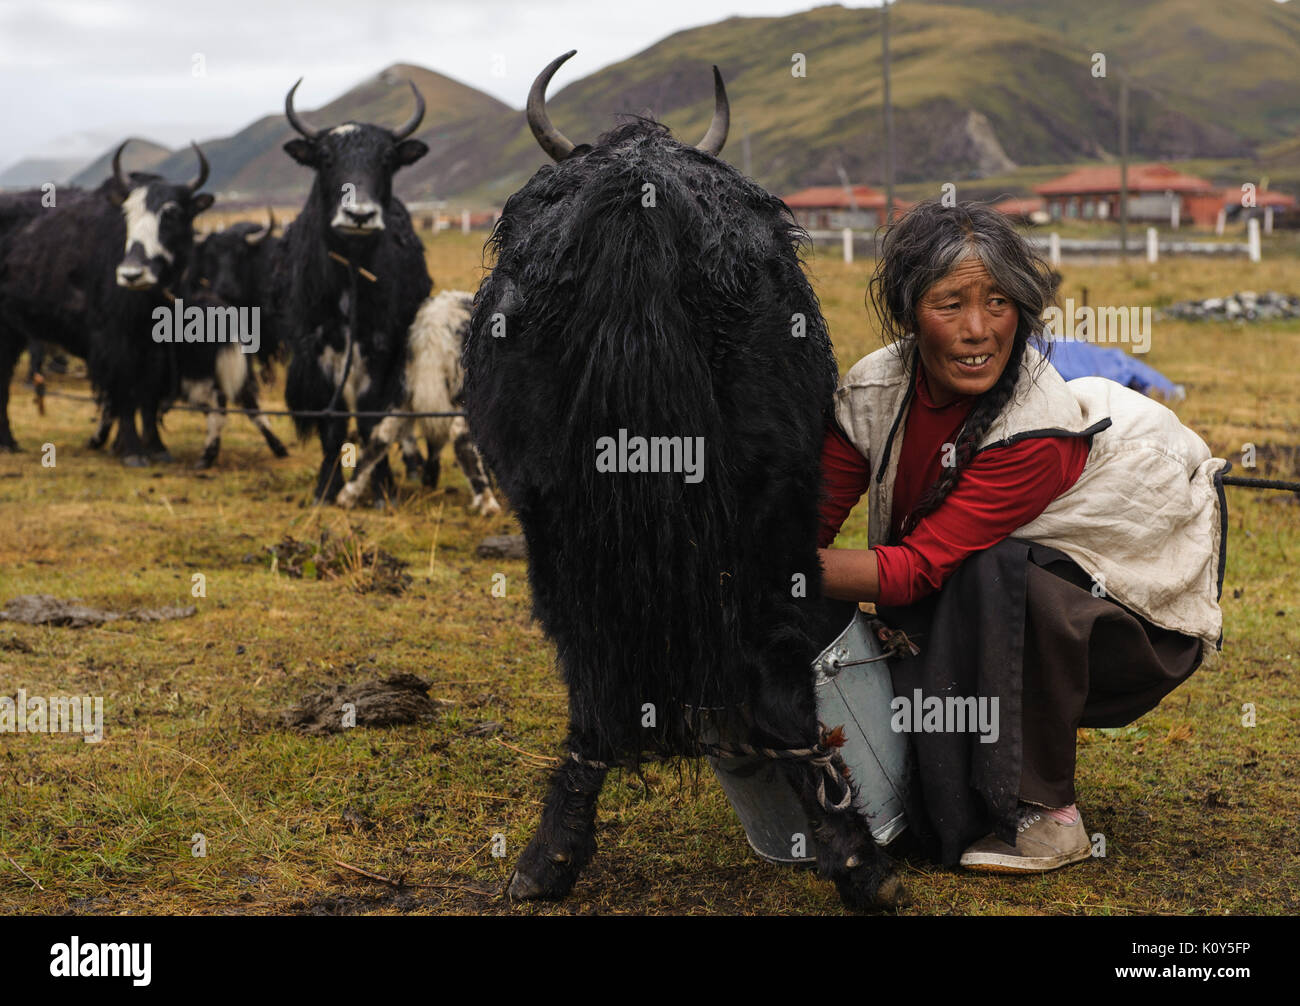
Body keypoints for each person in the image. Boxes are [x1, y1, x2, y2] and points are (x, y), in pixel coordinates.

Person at [817, 199, 1229, 872]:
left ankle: (1048, 815)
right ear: (907, 312)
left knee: (987, 571)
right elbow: (811, 519)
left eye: (1000, 303)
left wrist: (774, 568)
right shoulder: (875, 389)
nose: (978, 330)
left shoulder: (1032, 427)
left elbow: (917, 570)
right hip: (997, 607)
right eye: (949, 305)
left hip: (1129, 626)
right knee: (953, 596)